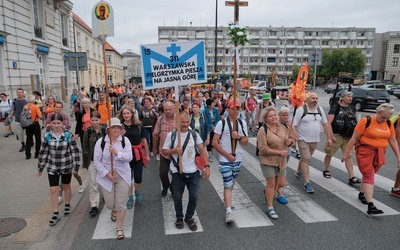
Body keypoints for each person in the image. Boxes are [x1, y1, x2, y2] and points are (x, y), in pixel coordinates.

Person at [342, 103, 400, 215]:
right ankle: (371, 205)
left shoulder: (388, 123)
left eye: (387, 118)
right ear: (377, 112)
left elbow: (392, 140)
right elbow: (354, 137)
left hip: (380, 152)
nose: (384, 120)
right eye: (383, 117)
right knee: (369, 175)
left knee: (369, 173)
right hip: (365, 152)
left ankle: (362, 193)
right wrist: (346, 153)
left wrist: (398, 156)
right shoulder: (366, 121)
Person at [162, 111, 210, 231]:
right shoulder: (172, 135)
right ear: (178, 122)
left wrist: (207, 166)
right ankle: (179, 216)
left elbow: (202, 150)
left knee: (194, 196)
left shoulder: (193, 134)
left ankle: (189, 217)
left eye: (187, 122)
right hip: (177, 171)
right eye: (182, 122)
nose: (185, 124)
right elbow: (164, 151)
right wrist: (174, 151)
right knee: (178, 196)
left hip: (193, 171)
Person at [37, 113, 81, 226]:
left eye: (58, 123)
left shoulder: (68, 135)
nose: (56, 125)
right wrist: (40, 168)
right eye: (54, 123)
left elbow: (75, 151)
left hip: (66, 165)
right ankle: (55, 213)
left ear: (63, 123)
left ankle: (67, 205)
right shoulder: (47, 136)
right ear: (50, 123)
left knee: (66, 186)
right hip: (52, 166)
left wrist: (75, 166)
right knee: (53, 189)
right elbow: (43, 152)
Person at [94, 117, 133, 240]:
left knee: (121, 203)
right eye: (113, 127)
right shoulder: (101, 142)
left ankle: (119, 227)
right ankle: (113, 210)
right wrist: (107, 174)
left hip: (122, 174)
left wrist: (116, 152)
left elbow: (129, 157)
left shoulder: (125, 141)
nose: (116, 129)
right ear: (108, 129)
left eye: (118, 127)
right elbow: (97, 161)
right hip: (107, 176)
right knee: (110, 203)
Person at [212, 99, 248, 224]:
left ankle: (226, 198)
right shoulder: (221, 124)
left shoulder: (242, 123)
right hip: (225, 160)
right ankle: (228, 212)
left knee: (232, 183)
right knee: (227, 184)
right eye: (234, 107)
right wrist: (227, 155)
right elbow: (214, 143)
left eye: (238, 108)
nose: (236, 110)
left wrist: (239, 137)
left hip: (238, 158)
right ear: (228, 109)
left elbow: (246, 142)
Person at [257, 107, 294, 219]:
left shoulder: (282, 127)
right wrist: (279, 152)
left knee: (281, 183)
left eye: (275, 115)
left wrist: (290, 141)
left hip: (281, 161)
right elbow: (262, 149)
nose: (274, 117)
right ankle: (270, 207)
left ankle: (268, 192)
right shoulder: (263, 130)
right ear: (265, 119)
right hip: (268, 161)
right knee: (271, 184)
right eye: (270, 116)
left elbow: (291, 138)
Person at [293, 92, 332, 193]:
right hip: (303, 139)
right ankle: (307, 183)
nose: (315, 100)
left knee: (305, 158)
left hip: (315, 140)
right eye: (313, 98)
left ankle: (298, 171)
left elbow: (325, 124)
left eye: (316, 98)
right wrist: (296, 138)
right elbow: (293, 125)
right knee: (306, 159)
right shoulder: (301, 110)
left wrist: (329, 138)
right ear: (307, 99)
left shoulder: (320, 109)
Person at [323, 90, 361, 184]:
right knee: (329, 154)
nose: (350, 98)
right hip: (336, 136)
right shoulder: (335, 108)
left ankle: (351, 177)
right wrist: (331, 136)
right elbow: (328, 123)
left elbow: (355, 122)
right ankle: (326, 170)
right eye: (348, 96)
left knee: (348, 156)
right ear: (342, 97)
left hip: (348, 137)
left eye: (351, 97)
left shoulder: (352, 108)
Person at [119, 106, 150, 208]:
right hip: (125, 156)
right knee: (128, 178)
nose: (126, 115)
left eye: (128, 113)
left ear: (132, 114)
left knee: (138, 177)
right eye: (124, 114)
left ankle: (136, 192)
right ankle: (130, 197)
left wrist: (147, 154)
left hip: (137, 154)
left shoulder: (138, 126)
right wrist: (120, 135)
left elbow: (143, 140)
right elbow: (115, 141)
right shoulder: (120, 127)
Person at [82, 111, 106, 215]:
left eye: (96, 120)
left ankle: (106, 197)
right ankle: (94, 205)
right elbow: (85, 147)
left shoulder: (105, 131)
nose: (95, 122)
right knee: (93, 183)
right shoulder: (87, 132)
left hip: (104, 161)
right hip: (92, 161)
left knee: (104, 181)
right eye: (92, 120)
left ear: (100, 120)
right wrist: (85, 162)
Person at [153, 101, 177, 197]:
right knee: (163, 172)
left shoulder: (179, 118)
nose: (167, 111)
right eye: (165, 110)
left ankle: (174, 188)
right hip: (164, 151)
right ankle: (166, 186)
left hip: (176, 151)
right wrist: (154, 148)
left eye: (169, 109)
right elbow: (155, 134)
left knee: (176, 173)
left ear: (174, 109)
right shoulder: (160, 119)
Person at [24, 94, 43, 159]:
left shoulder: (25, 106)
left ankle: (27, 154)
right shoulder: (35, 106)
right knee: (38, 139)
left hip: (27, 125)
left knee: (28, 139)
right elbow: (40, 116)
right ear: (33, 100)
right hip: (35, 124)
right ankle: (37, 154)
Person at [204, 98, 220, 162]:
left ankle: (212, 153)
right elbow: (205, 121)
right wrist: (211, 127)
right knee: (209, 142)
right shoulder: (204, 111)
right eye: (213, 103)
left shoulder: (215, 110)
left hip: (215, 128)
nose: (214, 104)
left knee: (214, 142)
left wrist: (216, 126)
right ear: (209, 105)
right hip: (208, 129)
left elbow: (218, 119)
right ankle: (210, 155)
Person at [11, 88, 27, 152]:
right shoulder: (14, 101)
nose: (19, 93)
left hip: (26, 120)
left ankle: (30, 142)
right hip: (18, 119)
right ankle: (23, 145)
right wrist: (11, 114)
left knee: (28, 133)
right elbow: (13, 109)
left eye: (20, 92)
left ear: (23, 93)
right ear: (16, 93)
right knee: (20, 134)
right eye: (18, 92)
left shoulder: (26, 100)